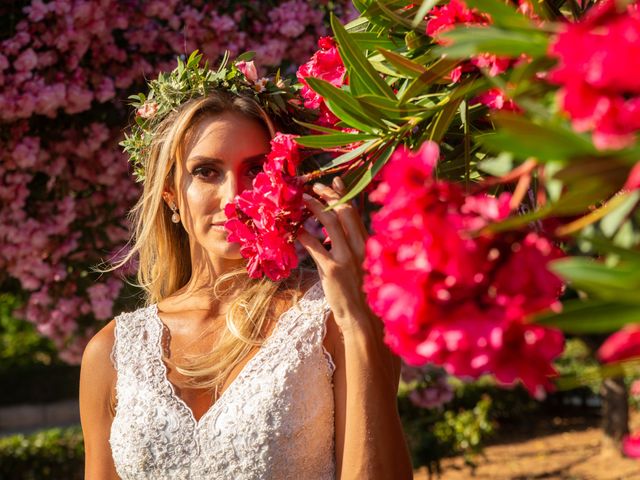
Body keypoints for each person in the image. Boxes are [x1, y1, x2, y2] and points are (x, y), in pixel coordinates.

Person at [79, 54, 413, 479]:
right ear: (168, 193)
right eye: (206, 171)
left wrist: (357, 323)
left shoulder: (332, 319)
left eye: (256, 169)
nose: (235, 196)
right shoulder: (111, 353)